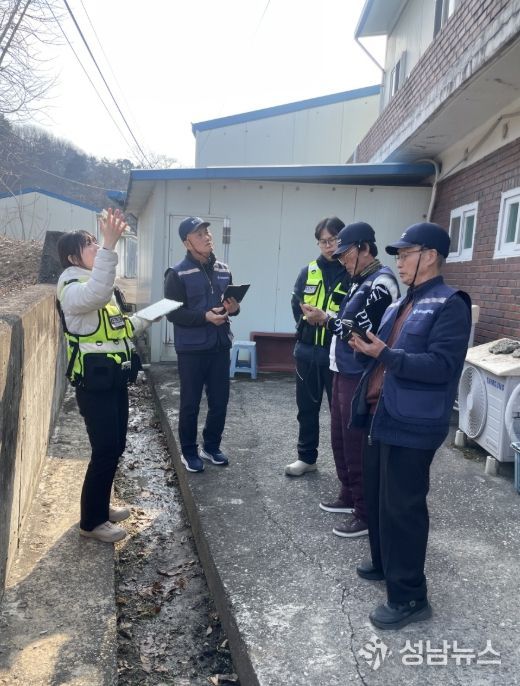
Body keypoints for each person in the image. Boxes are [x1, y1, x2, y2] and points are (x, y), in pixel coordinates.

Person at [349, 222, 471, 630]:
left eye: (405, 254)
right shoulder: (401, 303)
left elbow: (442, 366)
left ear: (430, 255)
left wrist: (386, 355)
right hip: (381, 413)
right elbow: (384, 354)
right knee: (379, 497)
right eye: (398, 256)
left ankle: (410, 596)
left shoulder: (450, 304)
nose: (399, 262)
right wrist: (365, 348)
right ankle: (385, 563)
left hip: (414, 422)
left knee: (403, 508)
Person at [56, 209, 154, 543]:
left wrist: (148, 317)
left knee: (116, 446)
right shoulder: (71, 286)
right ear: (73, 257)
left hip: (112, 379)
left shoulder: (98, 286)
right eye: (91, 245)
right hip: (93, 383)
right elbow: (95, 294)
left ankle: (101, 506)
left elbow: (118, 328)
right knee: (104, 449)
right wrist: (111, 245)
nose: (97, 248)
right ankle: (91, 522)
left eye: (98, 244)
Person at [301, 222, 400, 538]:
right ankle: (348, 495)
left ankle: (364, 511)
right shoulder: (360, 280)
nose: (341, 260)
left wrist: (325, 320)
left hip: (359, 374)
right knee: (340, 439)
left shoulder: (381, 284)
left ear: (364, 248)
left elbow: (362, 333)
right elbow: (347, 323)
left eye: (346, 254)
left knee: (356, 442)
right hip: (341, 369)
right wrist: (328, 319)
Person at [164, 216, 240, 473]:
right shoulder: (177, 274)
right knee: (190, 403)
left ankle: (211, 446)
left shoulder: (224, 269)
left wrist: (234, 308)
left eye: (207, 232)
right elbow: (173, 314)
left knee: (220, 401)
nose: (207, 237)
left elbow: (232, 306)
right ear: (187, 243)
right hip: (192, 350)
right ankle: (188, 451)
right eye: (199, 234)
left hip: (220, 345)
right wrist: (204, 317)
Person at [285, 216, 350, 477]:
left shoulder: (351, 273)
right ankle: (306, 458)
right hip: (307, 352)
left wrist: (327, 319)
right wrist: (306, 322)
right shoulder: (308, 271)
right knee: (307, 410)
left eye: (333, 240)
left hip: (338, 355)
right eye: (323, 241)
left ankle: (346, 466)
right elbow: (295, 305)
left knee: (341, 415)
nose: (328, 245)